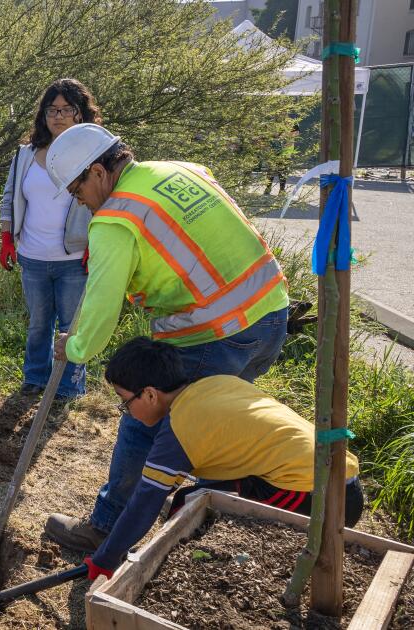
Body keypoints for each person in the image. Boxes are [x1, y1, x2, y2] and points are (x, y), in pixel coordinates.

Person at [40, 123, 291, 553]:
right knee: (215, 423)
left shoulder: (116, 219)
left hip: (213, 332)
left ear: (98, 171)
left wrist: (75, 346)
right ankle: (192, 523)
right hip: (270, 312)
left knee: (143, 417)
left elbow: (101, 310)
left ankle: (107, 527)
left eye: (76, 189)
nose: (77, 200)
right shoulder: (180, 170)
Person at [82, 337, 363, 580]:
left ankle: (171, 576)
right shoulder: (217, 383)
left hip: (319, 498)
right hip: (341, 479)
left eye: (124, 401)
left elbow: (144, 502)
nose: (126, 411)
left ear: (150, 394)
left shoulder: (182, 426)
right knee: (191, 500)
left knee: (189, 509)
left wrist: (104, 561)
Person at [0, 79, 98, 402]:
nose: (59, 116)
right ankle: (35, 378)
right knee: (39, 324)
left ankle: (69, 388)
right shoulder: (25, 154)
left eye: (67, 109)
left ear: (80, 114)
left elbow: (105, 205)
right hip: (33, 256)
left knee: (72, 327)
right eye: (52, 110)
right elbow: (9, 197)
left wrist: (96, 245)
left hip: (74, 259)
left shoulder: (94, 155)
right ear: (43, 115)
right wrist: (6, 239)